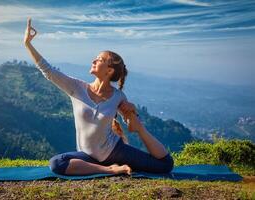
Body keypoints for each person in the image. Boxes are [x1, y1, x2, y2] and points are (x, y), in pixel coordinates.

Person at [24, 18, 174, 176]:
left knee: (165, 165)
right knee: (57, 163)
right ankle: (110, 170)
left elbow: (131, 126)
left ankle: (109, 167)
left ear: (109, 71)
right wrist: (28, 44)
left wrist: (133, 115)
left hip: (116, 151)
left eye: (99, 60)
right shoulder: (76, 88)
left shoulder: (118, 96)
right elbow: (48, 71)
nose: (93, 60)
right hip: (88, 157)